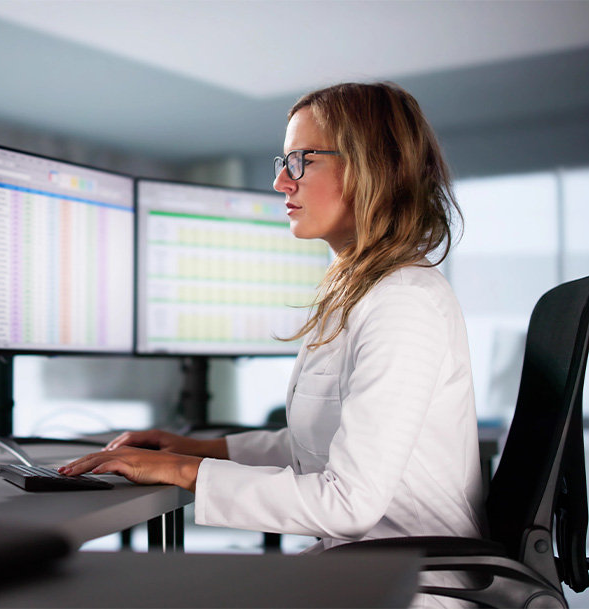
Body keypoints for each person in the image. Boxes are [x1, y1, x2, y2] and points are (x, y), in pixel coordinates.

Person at [61, 82, 485, 605]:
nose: (282, 181)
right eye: (283, 161)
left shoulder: (403, 302)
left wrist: (186, 472)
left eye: (301, 160)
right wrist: (197, 448)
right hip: (368, 570)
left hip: (414, 589)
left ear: (372, 165)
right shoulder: (364, 291)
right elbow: (324, 450)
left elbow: (348, 502)